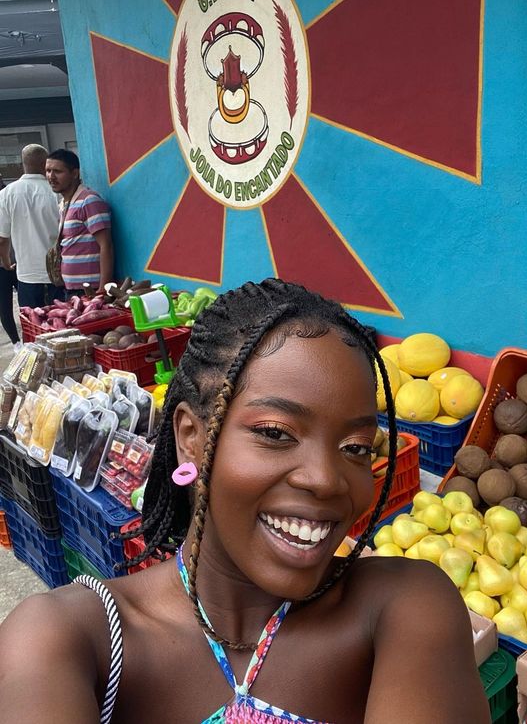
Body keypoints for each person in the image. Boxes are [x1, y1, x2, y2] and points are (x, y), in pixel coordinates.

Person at [0, 279, 490, 723]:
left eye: (356, 448)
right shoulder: (68, 641)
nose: (325, 480)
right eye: (276, 433)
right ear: (191, 437)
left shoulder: (404, 608)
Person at [0, 144, 62, 309]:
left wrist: (6, 263)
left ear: (23, 164)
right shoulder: (57, 192)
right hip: (58, 274)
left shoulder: (7, 194)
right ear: (45, 164)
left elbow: (2, 238)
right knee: (62, 325)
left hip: (27, 275)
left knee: (33, 327)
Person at [45, 149, 114, 296]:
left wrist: (103, 288)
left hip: (91, 290)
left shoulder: (89, 201)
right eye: (48, 171)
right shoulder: (65, 203)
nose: (51, 176)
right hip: (70, 289)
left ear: (75, 173)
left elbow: (106, 244)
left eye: (57, 171)